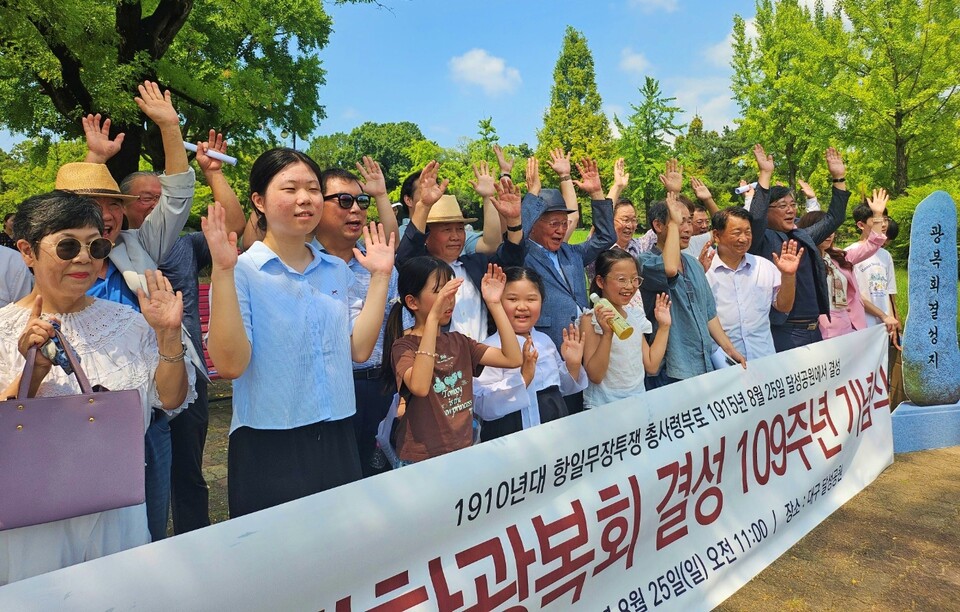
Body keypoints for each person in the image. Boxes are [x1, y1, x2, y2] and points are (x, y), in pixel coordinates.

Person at [0, 191, 192, 584]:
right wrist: (30, 374)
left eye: (96, 245)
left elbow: (169, 400)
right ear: (27, 251)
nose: (84, 258)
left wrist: (169, 337)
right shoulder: (3, 331)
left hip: (116, 509)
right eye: (67, 245)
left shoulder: (131, 322)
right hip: (34, 520)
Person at [203, 148, 395, 518]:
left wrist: (381, 278)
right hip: (270, 439)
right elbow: (229, 365)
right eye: (289, 189)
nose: (305, 199)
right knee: (277, 564)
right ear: (259, 200)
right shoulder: (241, 270)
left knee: (339, 549)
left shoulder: (334, 270)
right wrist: (222, 273)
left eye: (312, 188)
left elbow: (357, 350)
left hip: (337, 430)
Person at [57, 82, 196, 542]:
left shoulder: (137, 247)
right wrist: (93, 161)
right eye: (94, 208)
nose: (107, 216)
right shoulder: (37, 267)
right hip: (65, 427)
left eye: (114, 205)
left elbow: (176, 197)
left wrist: (170, 127)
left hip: (145, 422)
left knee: (146, 537)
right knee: (74, 537)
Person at [148, 130, 245, 534]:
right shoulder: (111, 249)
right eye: (145, 200)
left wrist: (213, 175)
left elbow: (235, 228)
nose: (156, 207)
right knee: (139, 478)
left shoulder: (186, 245)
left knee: (189, 469)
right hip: (135, 380)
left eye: (160, 198)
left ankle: (196, 539)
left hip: (188, 373)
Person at [381, 257, 522, 463]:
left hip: (463, 450)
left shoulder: (459, 341)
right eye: (439, 292)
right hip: (422, 458)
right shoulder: (404, 346)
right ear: (413, 302)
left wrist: (494, 304)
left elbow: (512, 358)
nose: (449, 299)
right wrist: (432, 321)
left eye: (451, 291)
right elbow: (419, 387)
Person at [313, 157, 401, 477]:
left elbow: (397, 326)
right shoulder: (302, 266)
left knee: (377, 476)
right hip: (328, 389)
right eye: (344, 200)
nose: (356, 210)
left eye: (361, 201)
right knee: (334, 479)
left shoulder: (378, 260)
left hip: (381, 385)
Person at [521, 157, 615, 414]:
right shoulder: (524, 255)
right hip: (549, 352)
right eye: (553, 223)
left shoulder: (572, 253)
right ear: (533, 226)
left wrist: (597, 193)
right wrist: (531, 197)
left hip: (586, 349)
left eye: (564, 223)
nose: (561, 230)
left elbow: (607, 237)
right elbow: (516, 234)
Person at [396, 160, 525, 341]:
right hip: (441, 361)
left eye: (460, 229)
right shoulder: (420, 271)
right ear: (427, 235)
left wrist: (513, 221)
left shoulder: (477, 265)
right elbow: (405, 258)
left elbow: (512, 258)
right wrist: (424, 207)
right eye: (447, 230)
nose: (456, 236)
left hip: (486, 361)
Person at [747, 144, 851, 351]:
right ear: (768, 211)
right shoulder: (760, 239)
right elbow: (756, 217)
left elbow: (834, 217)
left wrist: (838, 178)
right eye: (782, 205)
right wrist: (765, 174)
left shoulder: (803, 235)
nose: (790, 210)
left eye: (793, 205)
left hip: (814, 327)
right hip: (785, 331)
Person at [638, 194, 746, 388]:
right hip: (669, 371)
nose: (687, 229)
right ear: (658, 225)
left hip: (703, 365)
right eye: (679, 221)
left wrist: (729, 349)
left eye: (689, 221)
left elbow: (709, 314)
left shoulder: (694, 265)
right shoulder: (644, 263)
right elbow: (669, 269)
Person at [473, 267, 588, 439]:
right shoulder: (489, 349)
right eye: (512, 299)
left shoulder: (545, 341)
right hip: (510, 438)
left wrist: (572, 364)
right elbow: (483, 406)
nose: (522, 307)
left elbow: (561, 390)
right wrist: (523, 379)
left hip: (553, 434)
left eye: (531, 299)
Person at [705, 207, 803, 361]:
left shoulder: (763, 266)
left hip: (763, 359)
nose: (743, 239)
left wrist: (788, 276)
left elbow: (784, 306)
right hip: (723, 366)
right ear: (717, 235)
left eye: (748, 232)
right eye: (736, 233)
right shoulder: (704, 271)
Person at [582, 249, 672, 410]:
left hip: (637, 404)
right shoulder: (591, 319)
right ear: (601, 282)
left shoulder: (635, 317)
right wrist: (607, 334)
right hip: (604, 408)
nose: (629, 286)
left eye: (634, 279)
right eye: (621, 279)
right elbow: (595, 375)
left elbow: (651, 365)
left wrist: (664, 327)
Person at [796, 192, 887, 340]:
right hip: (821, 328)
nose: (829, 235)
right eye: (823, 231)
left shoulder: (840, 256)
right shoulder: (802, 260)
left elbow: (872, 244)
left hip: (848, 324)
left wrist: (877, 215)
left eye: (831, 230)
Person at [847, 190, 899, 334]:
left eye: (884, 218)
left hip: (885, 325)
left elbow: (888, 292)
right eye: (876, 219)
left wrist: (893, 318)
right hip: (862, 325)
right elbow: (854, 295)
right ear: (860, 225)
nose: (882, 224)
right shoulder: (849, 254)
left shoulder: (886, 255)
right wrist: (882, 315)